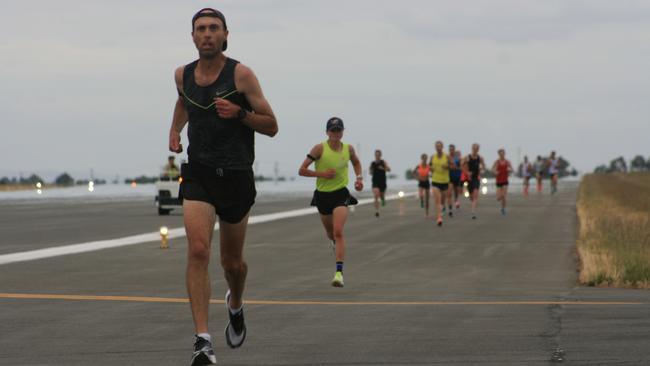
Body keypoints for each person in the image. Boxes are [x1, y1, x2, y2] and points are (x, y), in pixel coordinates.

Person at [168, 8, 278, 365]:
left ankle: (235, 302)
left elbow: (272, 125)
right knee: (198, 249)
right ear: (193, 36)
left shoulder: (241, 75)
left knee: (233, 264)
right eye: (201, 29)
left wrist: (241, 114)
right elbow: (184, 101)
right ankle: (203, 341)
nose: (207, 34)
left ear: (225, 34)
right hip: (198, 172)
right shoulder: (182, 75)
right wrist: (174, 130)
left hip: (236, 175)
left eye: (214, 28)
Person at [299, 117, 363, 288]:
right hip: (322, 196)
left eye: (339, 130)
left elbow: (356, 162)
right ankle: (333, 242)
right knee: (330, 233)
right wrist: (322, 174)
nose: (336, 134)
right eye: (333, 130)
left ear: (343, 131)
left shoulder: (348, 149)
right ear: (327, 132)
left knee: (338, 231)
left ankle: (339, 273)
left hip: (340, 194)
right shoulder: (319, 148)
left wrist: (359, 178)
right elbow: (302, 170)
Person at [462, 143, 485, 220]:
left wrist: (481, 170)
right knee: (471, 197)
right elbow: (461, 166)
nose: (475, 149)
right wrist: (467, 172)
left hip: (476, 178)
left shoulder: (480, 158)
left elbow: (483, 166)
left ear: (478, 149)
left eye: (477, 148)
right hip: (469, 179)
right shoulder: (467, 157)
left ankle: (473, 212)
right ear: (472, 148)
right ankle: (473, 205)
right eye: (474, 148)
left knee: (475, 195)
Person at [430, 141, 450, 226]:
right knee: (437, 200)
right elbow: (430, 167)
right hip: (435, 180)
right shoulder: (432, 157)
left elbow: (452, 166)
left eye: (439, 146)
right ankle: (439, 218)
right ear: (435, 148)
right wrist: (431, 169)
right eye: (436, 146)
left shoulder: (447, 156)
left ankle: (442, 209)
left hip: (445, 181)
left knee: (442, 201)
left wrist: (447, 166)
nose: (438, 148)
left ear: (442, 147)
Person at [369, 149, 390, 217]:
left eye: (378, 155)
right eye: (376, 155)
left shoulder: (383, 162)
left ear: (380, 155)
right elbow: (370, 172)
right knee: (376, 195)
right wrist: (371, 171)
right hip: (375, 181)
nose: (377, 156)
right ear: (375, 155)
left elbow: (389, 169)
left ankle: (383, 199)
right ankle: (377, 211)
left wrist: (383, 168)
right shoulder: (372, 163)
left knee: (381, 195)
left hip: (382, 182)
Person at [492, 149, 513, 215]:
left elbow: (512, 169)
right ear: (499, 154)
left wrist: (509, 171)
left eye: (503, 153)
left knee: (504, 196)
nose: (502, 155)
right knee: (498, 198)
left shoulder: (507, 162)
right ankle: (501, 203)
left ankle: (503, 208)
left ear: (504, 154)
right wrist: (495, 172)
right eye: (500, 153)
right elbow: (492, 169)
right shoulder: (497, 162)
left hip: (505, 180)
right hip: (498, 181)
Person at [447, 144, 463, 212]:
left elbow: (461, 168)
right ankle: (450, 206)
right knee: (449, 192)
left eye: (452, 149)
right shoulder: (447, 157)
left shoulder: (458, 158)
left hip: (457, 176)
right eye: (450, 149)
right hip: (449, 176)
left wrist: (455, 168)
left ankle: (456, 200)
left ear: (454, 150)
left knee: (456, 190)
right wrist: (449, 167)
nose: (451, 151)